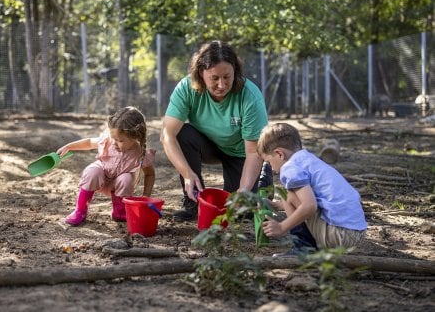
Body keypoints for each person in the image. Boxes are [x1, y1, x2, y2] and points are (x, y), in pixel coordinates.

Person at [160, 40, 273, 221]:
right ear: (200, 74)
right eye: (214, 78)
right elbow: (167, 135)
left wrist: (243, 191)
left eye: (227, 77)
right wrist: (186, 173)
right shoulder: (186, 88)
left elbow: (253, 151)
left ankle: (262, 175)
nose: (221, 85)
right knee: (182, 133)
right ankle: (193, 203)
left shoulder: (250, 96)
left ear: (235, 71)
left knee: (242, 213)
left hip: (241, 153)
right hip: (208, 145)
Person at [257, 122, 367, 255]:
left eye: (269, 162)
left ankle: (302, 248)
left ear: (279, 154)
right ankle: (308, 247)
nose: (273, 170)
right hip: (356, 232)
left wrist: (281, 227)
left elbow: (309, 206)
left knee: (286, 193)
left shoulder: (289, 168)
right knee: (289, 195)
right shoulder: (307, 159)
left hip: (340, 234)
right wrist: (278, 205)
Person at [57, 106, 156, 225]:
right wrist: (68, 146)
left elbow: (150, 174)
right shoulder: (108, 141)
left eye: (120, 140)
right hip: (98, 179)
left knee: (127, 178)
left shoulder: (140, 153)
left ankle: (119, 212)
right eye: (113, 138)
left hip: (117, 187)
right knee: (92, 171)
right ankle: (80, 210)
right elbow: (89, 142)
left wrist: (145, 196)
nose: (114, 142)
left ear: (136, 137)